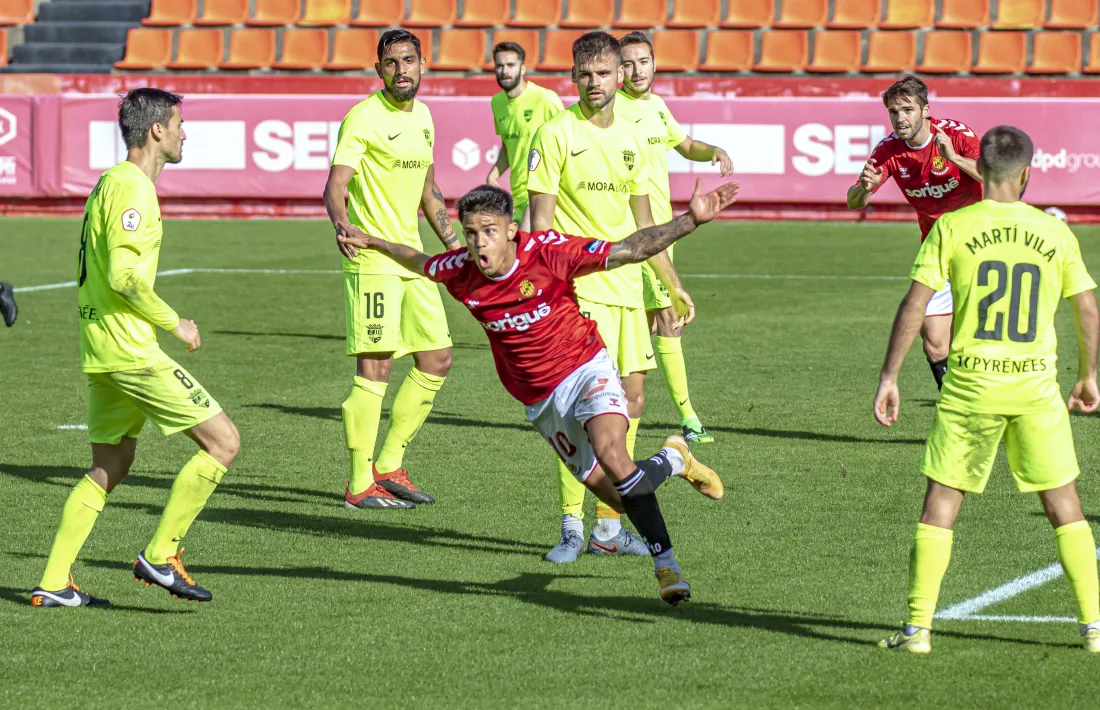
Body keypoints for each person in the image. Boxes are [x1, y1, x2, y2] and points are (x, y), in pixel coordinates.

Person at [339, 179, 739, 602]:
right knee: (619, 498)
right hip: (542, 401)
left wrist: (690, 220)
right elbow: (419, 260)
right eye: (471, 233)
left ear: (512, 230)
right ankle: (673, 458)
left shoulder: (548, 252)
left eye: (489, 231)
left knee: (613, 453)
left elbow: (629, 249)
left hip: (586, 367)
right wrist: (373, 242)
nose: (479, 243)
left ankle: (667, 567)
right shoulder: (459, 271)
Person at [872, 125, 1100, 654]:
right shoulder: (1054, 231)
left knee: (940, 507)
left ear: (981, 170)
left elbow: (914, 304)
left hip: (971, 386)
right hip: (1035, 388)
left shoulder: (951, 226)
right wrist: (1089, 376)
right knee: (1065, 506)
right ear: (1026, 174)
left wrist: (890, 376)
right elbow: (1087, 306)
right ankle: (1093, 628)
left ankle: (917, 632)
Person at [31, 88, 241, 607]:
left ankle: (55, 582)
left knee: (111, 464)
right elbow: (125, 276)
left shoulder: (110, 183)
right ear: (156, 131)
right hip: (130, 352)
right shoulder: (134, 191)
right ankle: (161, 555)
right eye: (179, 124)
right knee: (223, 443)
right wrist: (177, 324)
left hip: (101, 348)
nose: (184, 132)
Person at [528, 30, 694, 562]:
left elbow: (647, 227)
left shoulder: (635, 140)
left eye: (603, 73)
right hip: (579, 293)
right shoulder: (554, 133)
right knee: (579, 417)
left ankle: (606, 526)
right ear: (573, 77)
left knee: (631, 403)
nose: (594, 82)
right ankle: (570, 527)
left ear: (620, 75)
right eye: (584, 74)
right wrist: (546, 292)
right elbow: (539, 226)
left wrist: (671, 285)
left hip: (626, 291)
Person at [323, 29, 461, 511]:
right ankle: (360, 484)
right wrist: (343, 225)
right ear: (378, 69)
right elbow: (335, 185)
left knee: (438, 358)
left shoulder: (424, 117)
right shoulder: (362, 118)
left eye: (408, 61)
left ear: (424, 63)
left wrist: (456, 246)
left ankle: (389, 463)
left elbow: (429, 190)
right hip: (373, 261)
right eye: (391, 63)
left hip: (412, 259)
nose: (401, 70)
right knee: (375, 368)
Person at [618, 30, 733, 444]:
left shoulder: (656, 107)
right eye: (627, 63)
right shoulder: (613, 112)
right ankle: (689, 419)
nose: (635, 70)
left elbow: (684, 145)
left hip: (665, 233)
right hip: (638, 234)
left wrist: (714, 150)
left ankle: (604, 404)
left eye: (642, 61)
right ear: (617, 69)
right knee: (670, 319)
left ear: (654, 63)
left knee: (645, 325)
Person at [848, 75, 984, 391]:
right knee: (935, 343)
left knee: (984, 338)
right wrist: (863, 189)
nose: (901, 118)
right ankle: (958, 408)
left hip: (980, 245)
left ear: (925, 110)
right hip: (937, 249)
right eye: (894, 112)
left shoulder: (955, 135)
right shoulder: (888, 150)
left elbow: (993, 178)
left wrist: (954, 159)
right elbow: (853, 201)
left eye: (907, 109)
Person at [486, 40, 564, 232]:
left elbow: (567, 141)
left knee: (522, 252)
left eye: (511, 65)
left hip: (542, 191)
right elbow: (508, 144)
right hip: (518, 195)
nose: (505, 71)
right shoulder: (497, 103)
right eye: (500, 66)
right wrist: (493, 175)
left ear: (523, 69)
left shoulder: (545, 99)